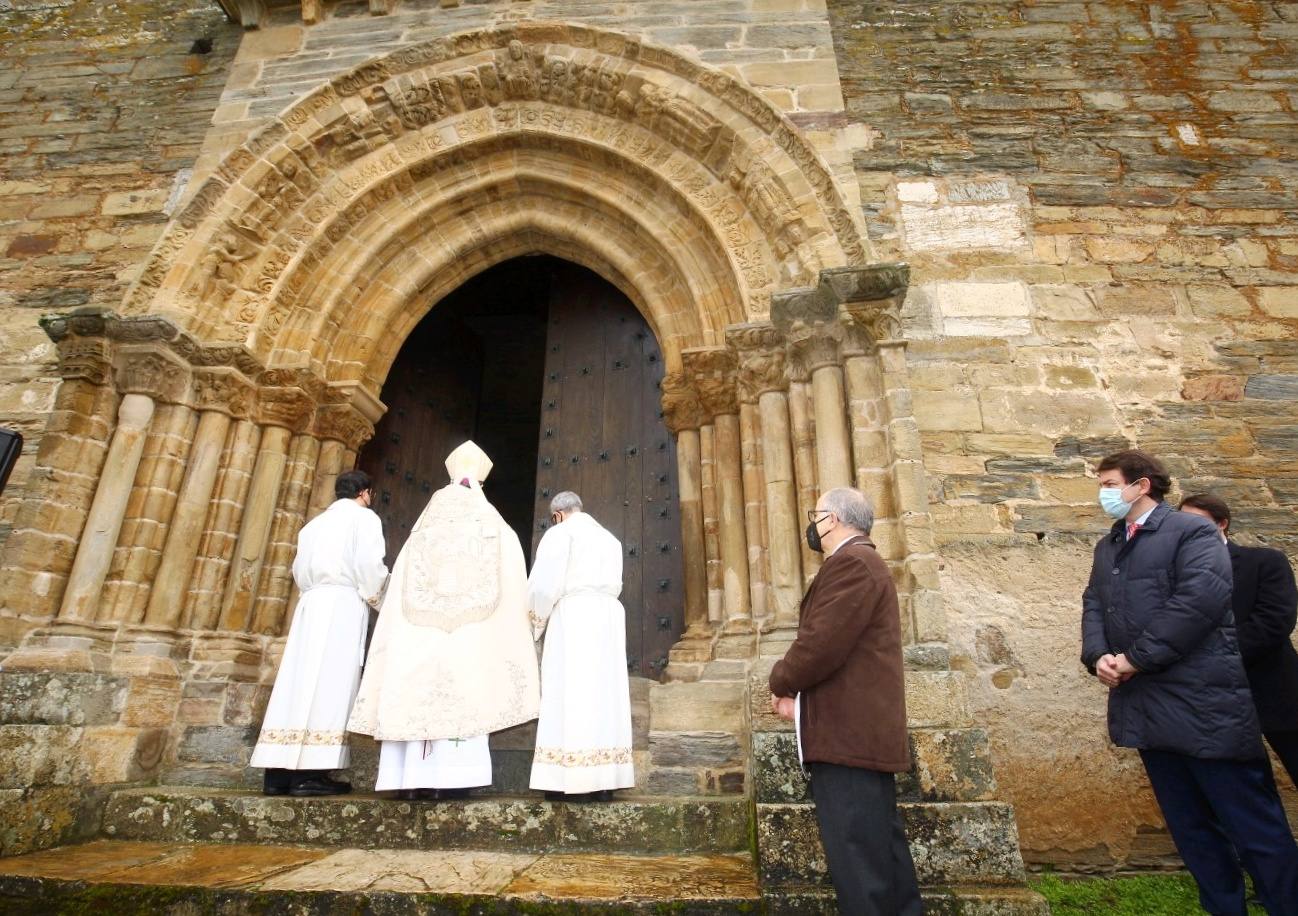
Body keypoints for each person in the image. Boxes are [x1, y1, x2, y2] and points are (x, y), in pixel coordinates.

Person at [1081, 450, 1298, 916]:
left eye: (1109, 483)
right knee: (1192, 830)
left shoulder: (1193, 532)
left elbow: (1199, 601)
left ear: (1141, 485)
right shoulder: (1110, 545)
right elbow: (1094, 603)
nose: (1104, 493)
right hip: (1147, 709)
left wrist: (1136, 658)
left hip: (1205, 707)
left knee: (1252, 826)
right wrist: (1098, 656)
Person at [347, 441, 540, 800]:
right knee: (463, 692)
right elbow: (514, 576)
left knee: (414, 691)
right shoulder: (495, 529)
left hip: (418, 636)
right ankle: (449, 780)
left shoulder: (420, 532)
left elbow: (394, 584)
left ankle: (407, 781)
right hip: (468, 635)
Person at [769, 486, 922, 916]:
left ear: (832, 519)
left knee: (860, 867)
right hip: (857, 740)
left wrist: (781, 681)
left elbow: (820, 645)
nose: (813, 525)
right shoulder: (862, 563)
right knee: (881, 859)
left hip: (849, 741)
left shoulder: (853, 564)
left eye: (817, 515)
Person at [250, 469, 388, 797]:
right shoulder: (364, 520)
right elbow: (370, 567)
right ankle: (310, 774)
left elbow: (298, 570)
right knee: (329, 684)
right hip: (340, 606)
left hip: (310, 605)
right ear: (365, 493)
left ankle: (277, 773)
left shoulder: (312, 525)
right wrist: (383, 598)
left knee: (295, 684)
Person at [1180, 493, 1298, 787]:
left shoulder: (1265, 562)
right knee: (1235, 789)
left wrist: (1214, 658)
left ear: (1222, 524)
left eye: (1196, 523)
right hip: (1213, 702)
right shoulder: (1177, 575)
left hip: (1274, 690)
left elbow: (1274, 622)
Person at [528, 491, 635, 801]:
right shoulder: (610, 539)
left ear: (558, 514)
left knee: (570, 692)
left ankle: (568, 779)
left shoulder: (561, 534)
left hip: (573, 617)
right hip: (608, 617)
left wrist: (535, 620)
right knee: (604, 695)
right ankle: (603, 781)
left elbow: (545, 585)